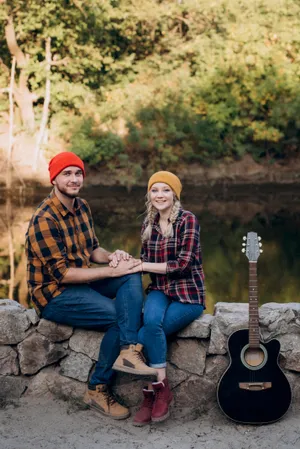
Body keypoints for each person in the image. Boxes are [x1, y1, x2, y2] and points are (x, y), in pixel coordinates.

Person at [25, 151, 157, 421]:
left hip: (81, 281)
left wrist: (113, 257)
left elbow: (92, 249)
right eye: (67, 174)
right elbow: (62, 274)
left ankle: (130, 350)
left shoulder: (81, 206)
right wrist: (109, 270)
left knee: (131, 270)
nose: (74, 179)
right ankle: (97, 388)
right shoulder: (44, 219)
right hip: (54, 294)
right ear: (54, 179)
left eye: (78, 173)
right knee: (118, 318)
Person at [114, 171, 206, 425]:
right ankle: (161, 389)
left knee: (149, 331)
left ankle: (150, 394)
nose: (160, 195)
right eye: (155, 190)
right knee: (151, 323)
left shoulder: (188, 220)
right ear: (149, 195)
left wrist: (141, 266)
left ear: (174, 194)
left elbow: (183, 265)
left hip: (188, 294)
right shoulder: (148, 224)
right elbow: (146, 262)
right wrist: (130, 260)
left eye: (165, 190)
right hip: (160, 291)